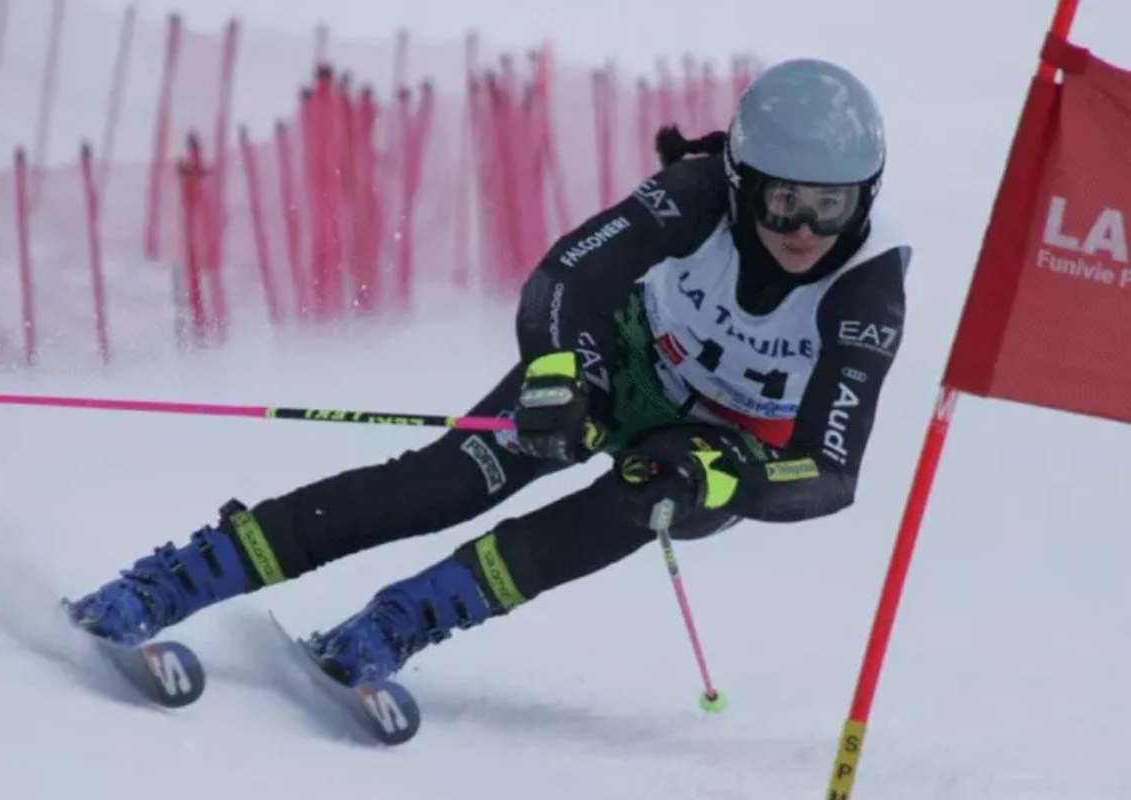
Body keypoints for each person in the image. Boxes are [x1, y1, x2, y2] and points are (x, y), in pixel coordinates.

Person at [69, 58, 910, 688]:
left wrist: (727, 481)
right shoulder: (695, 196)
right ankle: (182, 576)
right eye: (783, 201)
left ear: (863, 200)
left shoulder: (865, 289)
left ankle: (395, 625)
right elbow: (567, 277)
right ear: (742, 182)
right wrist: (562, 375)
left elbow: (830, 471)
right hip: (621, 360)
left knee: (622, 504)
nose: (804, 228)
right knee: (443, 483)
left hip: (715, 448)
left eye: (830, 206)